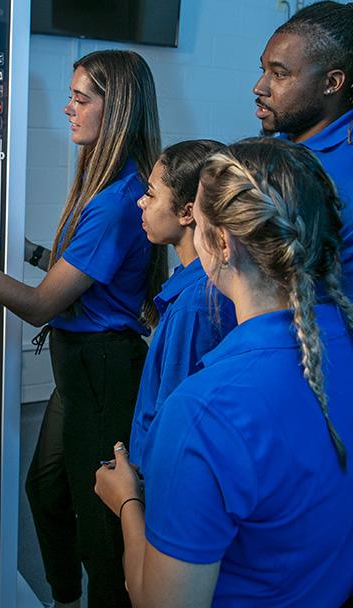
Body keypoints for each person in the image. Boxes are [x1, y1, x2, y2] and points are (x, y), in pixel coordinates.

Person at [0, 49, 164, 608]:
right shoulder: (104, 186)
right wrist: (21, 249)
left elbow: (42, 305)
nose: (68, 108)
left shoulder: (116, 201)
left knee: (99, 526)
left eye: (80, 98)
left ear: (114, 111)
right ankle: (65, 597)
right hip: (77, 368)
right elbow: (85, 273)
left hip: (101, 373)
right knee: (45, 490)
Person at [95, 138, 353, 608]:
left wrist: (127, 501)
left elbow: (158, 600)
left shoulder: (204, 411)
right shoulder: (339, 342)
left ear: (220, 243)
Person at [130, 139, 237, 471]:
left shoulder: (195, 306)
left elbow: (173, 425)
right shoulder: (194, 283)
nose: (140, 202)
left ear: (188, 211)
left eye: (151, 193)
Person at [254, 0, 353, 297]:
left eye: (280, 74)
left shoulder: (329, 175)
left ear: (332, 83)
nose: (259, 87)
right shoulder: (287, 143)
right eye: (263, 70)